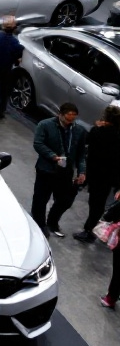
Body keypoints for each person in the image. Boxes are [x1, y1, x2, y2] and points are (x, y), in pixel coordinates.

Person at [31, 102, 87, 236]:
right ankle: (39, 224)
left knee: (65, 199)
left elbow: (81, 155)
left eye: (73, 117)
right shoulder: (45, 125)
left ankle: (52, 221)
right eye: (68, 117)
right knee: (40, 199)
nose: (70, 120)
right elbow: (38, 143)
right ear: (60, 114)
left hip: (65, 172)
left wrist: (82, 171)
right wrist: (53, 156)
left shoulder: (79, 131)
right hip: (46, 169)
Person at [77, 103, 120, 242]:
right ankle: (107, 230)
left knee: (95, 204)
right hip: (111, 175)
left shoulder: (98, 131)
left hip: (97, 173)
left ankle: (90, 230)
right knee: (101, 203)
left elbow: (88, 143)